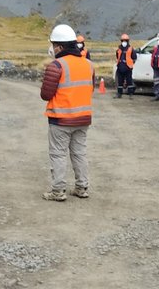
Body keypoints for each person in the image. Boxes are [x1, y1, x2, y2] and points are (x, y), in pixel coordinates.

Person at [41, 24, 95, 201]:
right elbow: (90, 88)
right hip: (83, 118)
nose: (52, 48)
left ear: (60, 47)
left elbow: (45, 94)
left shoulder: (56, 65)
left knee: (58, 154)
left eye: (54, 44)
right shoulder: (89, 64)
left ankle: (58, 191)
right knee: (79, 153)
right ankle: (82, 187)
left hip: (61, 120)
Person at [115, 33, 137, 98]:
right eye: (123, 40)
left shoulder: (131, 49)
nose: (124, 42)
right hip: (120, 67)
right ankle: (119, 94)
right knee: (120, 81)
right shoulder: (119, 49)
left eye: (125, 40)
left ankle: (130, 94)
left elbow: (134, 57)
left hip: (128, 67)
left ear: (127, 41)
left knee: (129, 81)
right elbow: (117, 56)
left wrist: (131, 64)